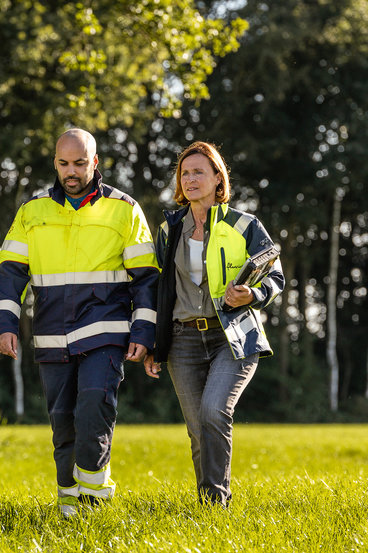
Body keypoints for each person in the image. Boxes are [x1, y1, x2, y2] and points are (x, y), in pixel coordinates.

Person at [0, 129, 157, 517]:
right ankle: (69, 507)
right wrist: (4, 324)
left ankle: (96, 501)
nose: (72, 171)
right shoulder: (32, 212)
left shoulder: (124, 209)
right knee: (62, 423)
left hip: (105, 331)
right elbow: (8, 274)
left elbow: (148, 278)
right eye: (64, 163)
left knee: (92, 409)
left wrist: (144, 330)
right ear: (55, 162)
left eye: (80, 163)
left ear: (95, 163)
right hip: (52, 334)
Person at [143, 141, 283, 507]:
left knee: (213, 411)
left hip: (232, 337)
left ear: (218, 178)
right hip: (182, 340)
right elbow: (159, 291)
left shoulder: (244, 224)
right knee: (197, 429)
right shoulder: (169, 229)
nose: (190, 179)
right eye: (184, 173)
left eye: (198, 172)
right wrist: (154, 343)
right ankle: (209, 507)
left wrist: (251, 295)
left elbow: (276, 276)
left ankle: (216, 502)